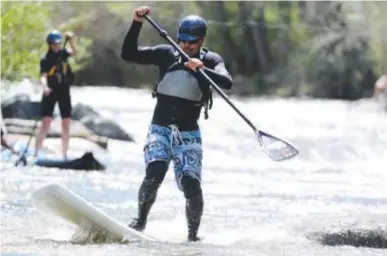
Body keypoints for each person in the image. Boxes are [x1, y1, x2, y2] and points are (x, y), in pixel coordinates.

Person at [121, 6, 233, 242]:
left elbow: (228, 82)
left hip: (188, 134)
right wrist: (136, 23)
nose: (185, 46)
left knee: (192, 186)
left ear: (202, 40)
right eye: (182, 40)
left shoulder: (211, 59)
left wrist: (204, 69)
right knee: (154, 173)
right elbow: (128, 53)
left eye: (192, 43)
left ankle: (193, 237)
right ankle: (140, 221)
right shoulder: (166, 52)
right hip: (159, 129)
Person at [34, 30, 77, 160]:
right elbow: (43, 75)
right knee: (46, 122)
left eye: (58, 43)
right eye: (54, 44)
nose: (57, 46)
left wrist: (70, 40)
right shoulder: (45, 59)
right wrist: (45, 86)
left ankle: (64, 154)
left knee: (66, 122)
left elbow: (74, 52)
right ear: (50, 44)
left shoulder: (63, 53)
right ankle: (36, 153)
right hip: (50, 91)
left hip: (64, 91)